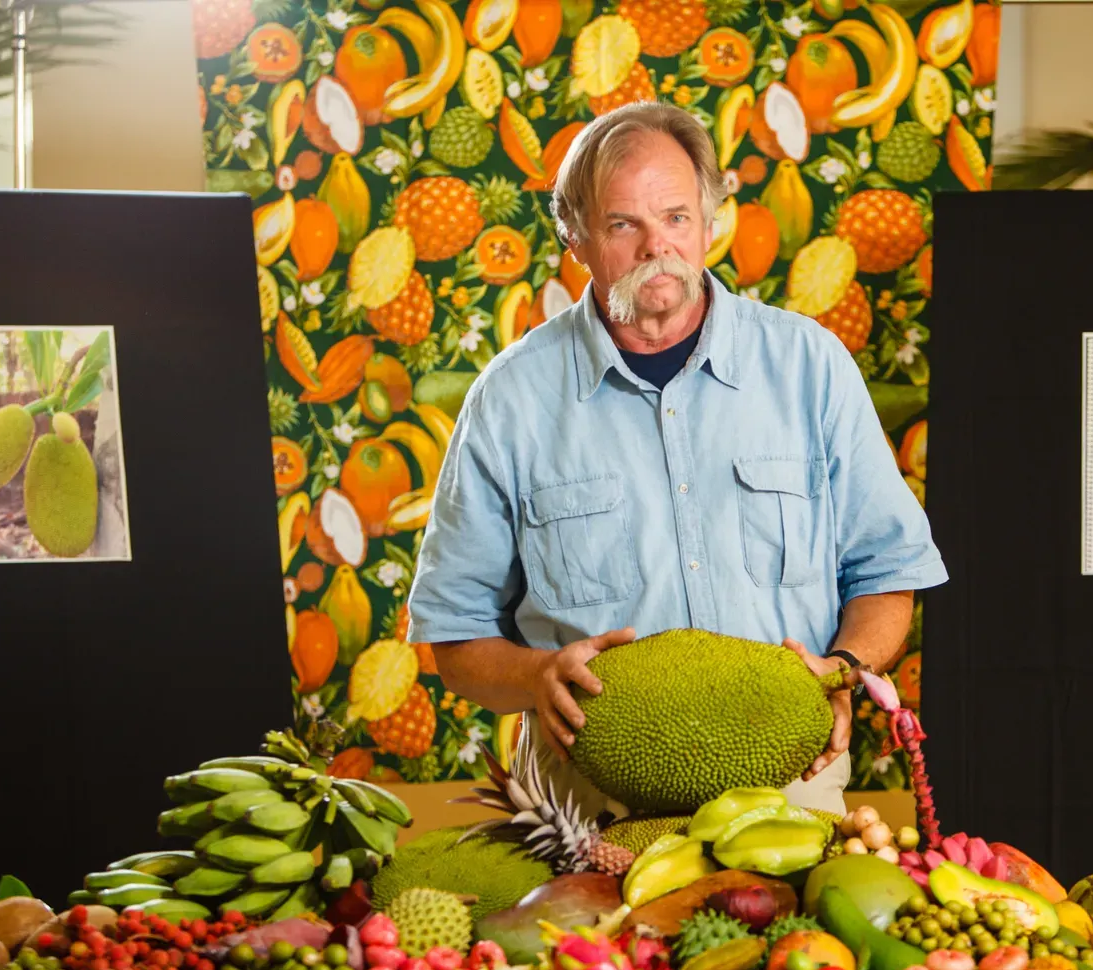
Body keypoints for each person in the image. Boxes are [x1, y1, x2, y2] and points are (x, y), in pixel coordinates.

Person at [404, 100, 945, 817]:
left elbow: (887, 572)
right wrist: (538, 675)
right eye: (623, 223)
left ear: (711, 221)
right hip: (587, 804)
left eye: (676, 217)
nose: (657, 246)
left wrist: (842, 671)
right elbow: (455, 633)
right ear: (575, 236)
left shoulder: (809, 365)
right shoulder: (511, 399)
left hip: (784, 788)